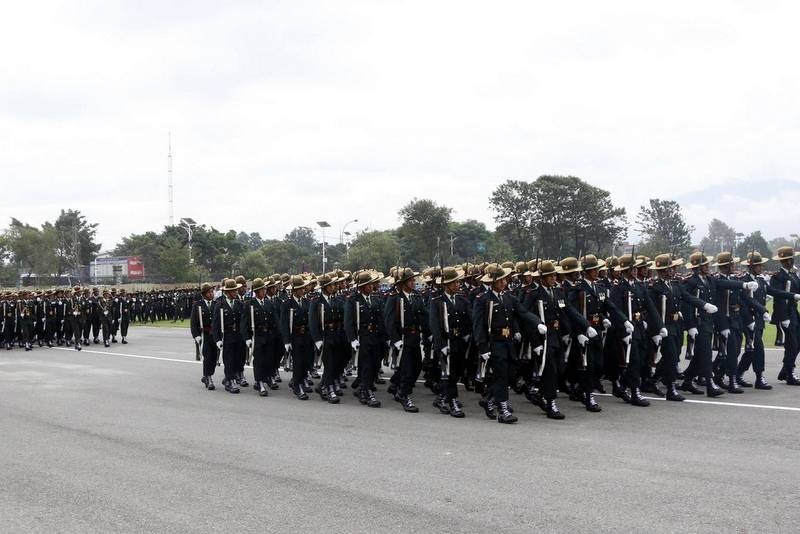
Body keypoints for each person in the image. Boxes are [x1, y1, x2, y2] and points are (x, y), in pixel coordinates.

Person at [473, 263, 541, 424]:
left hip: (508, 342)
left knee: (510, 375)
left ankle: (490, 399)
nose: (505, 282)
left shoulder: (509, 297)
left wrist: (537, 323)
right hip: (494, 343)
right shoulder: (483, 299)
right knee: (501, 376)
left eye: (505, 279)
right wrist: (482, 347)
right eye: (502, 279)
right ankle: (503, 409)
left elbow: (522, 312)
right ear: (494, 281)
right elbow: (478, 325)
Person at [738, 251, 796, 388]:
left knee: (750, 350)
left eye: (761, 265)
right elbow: (744, 302)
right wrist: (749, 321)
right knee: (758, 347)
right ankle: (759, 378)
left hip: (758, 320)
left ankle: (737, 374)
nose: (761, 268)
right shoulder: (744, 282)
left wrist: (793, 296)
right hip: (749, 320)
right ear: (751, 266)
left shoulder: (760, 280)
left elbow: (774, 292)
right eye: (758, 265)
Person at [430, 266, 472, 418]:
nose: (457, 285)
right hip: (446, 342)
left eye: (458, 282)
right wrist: (440, 345)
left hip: (459, 341)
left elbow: (469, 318)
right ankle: (452, 401)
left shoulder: (462, 300)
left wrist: (468, 334)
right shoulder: (437, 302)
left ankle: (442, 397)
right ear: (446, 284)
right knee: (450, 372)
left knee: (458, 372)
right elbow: (434, 325)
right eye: (454, 283)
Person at [384, 267, 425, 413]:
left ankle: (397, 387)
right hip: (403, 338)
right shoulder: (394, 298)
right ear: (404, 282)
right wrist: (395, 340)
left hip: (414, 337)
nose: (414, 282)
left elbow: (423, 316)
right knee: (407, 370)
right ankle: (404, 395)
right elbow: (389, 321)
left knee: (417, 367)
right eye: (411, 280)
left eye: (414, 280)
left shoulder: (416, 296)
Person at [344, 270, 385, 408]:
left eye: (371, 284)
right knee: (366, 366)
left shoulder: (375, 298)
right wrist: (352, 339)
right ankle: (366, 392)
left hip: (375, 337)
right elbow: (348, 322)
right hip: (363, 337)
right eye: (368, 284)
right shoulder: (353, 300)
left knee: (375, 365)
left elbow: (381, 318)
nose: (371, 286)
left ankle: (363, 388)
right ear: (361, 286)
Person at [241, 278, 281, 397]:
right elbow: (244, 323)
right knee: (259, 361)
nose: (264, 291)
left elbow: (275, 320)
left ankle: (265, 378)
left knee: (269, 360)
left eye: (264, 289)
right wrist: (247, 338)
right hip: (257, 337)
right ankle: (260, 382)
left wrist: (279, 334)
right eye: (262, 289)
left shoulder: (269, 303)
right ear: (257, 291)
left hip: (269, 336)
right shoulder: (249, 304)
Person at [308, 273, 342, 404]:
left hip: (335, 336)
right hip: (324, 337)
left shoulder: (333, 299)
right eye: (331, 285)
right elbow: (313, 322)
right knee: (329, 365)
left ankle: (322, 385)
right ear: (324, 287)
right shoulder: (316, 301)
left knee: (335, 364)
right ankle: (329, 389)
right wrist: (317, 340)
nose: (333, 287)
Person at [769, 246, 800, 385]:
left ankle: (785, 369)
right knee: (792, 344)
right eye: (788, 259)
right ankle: (789, 373)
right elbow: (778, 295)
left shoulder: (793, 274)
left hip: (793, 311)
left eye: (791, 259)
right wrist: (784, 317)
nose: (791, 261)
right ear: (784, 261)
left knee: (797, 343)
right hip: (784, 313)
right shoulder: (777, 277)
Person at [280, 275, 314, 400]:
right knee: (298, 362)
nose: (303, 290)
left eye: (303, 288)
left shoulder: (306, 302)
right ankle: (297, 385)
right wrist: (287, 341)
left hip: (306, 336)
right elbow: (284, 323)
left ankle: (300, 380)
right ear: (294, 290)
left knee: (306, 361)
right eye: (300, 288)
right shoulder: (287, 304)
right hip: (295, 337)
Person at [212, 278, 245, 394]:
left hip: (238, 336)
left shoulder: (238, 303)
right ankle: (230, 381)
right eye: (234, 290)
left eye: (236, 290)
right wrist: (217, 339)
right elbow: (215, 324)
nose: (236, 292)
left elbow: (243, 320)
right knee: (229, 359)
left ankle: (229, 378)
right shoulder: (220, 305)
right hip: (227, 336)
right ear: (228, 292)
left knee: (238, 358)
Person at [191, 283, 218, 390]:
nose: (212, 294)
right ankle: (208, 377)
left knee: (214, 358)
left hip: (215, 335)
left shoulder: (216, 304)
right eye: (210, 292)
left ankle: (207, 374)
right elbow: (193, 322)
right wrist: (196, 335)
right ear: (204, 294)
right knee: (207, 357)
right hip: (205, 335)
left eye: (212, 292)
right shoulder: (197, 305)